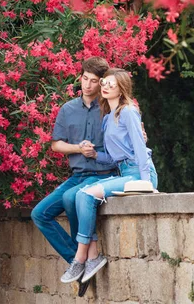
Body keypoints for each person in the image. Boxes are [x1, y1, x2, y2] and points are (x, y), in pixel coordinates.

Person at [62, 68, 158, 284]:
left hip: (138, 173)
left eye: (111, 84)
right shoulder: (108, 118)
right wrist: (94, 154)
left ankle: (81, 258)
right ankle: (92, 257)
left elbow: (140, 149)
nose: (105, 86)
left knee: (86, 195)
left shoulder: (128, 111)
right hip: (124, 171)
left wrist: (148, 182)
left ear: (121, 89)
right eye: (104, 82)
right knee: (80, 195)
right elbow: (115, 158)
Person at [31, 57, 119, 287]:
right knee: (39, 214)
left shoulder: (109, 107)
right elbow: (56, 145)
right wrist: (78, 148)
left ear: (101, 84)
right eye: (85, 79)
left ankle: (84, 260)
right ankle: (77, 260)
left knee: (72, 198)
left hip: (103, 174)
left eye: (93, 81)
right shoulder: (67, 109)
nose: (87, 85)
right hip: (78, 175)